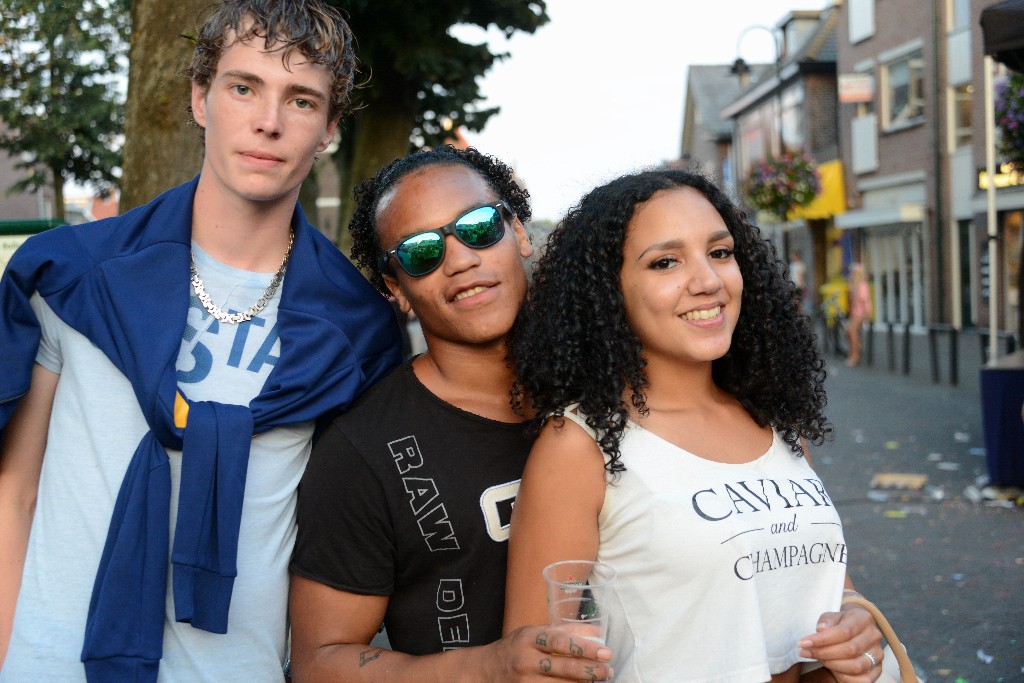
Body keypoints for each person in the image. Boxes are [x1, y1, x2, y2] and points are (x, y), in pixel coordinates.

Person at [0, 1, 402, 680]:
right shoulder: (72, 274)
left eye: (300, 100)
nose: (267, 121)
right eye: (243, 87)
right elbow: (16, 492)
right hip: (49, 663)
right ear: (199, 98)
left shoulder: (355, 330)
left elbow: (346, 545)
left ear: (330, 128)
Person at [504, 169, 884, 682]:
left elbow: (830, 588)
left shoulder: (772, 422)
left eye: (720, 252)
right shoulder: (578, 445)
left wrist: (858, 618)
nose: (708, 281)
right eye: (665, 262)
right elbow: (534, 660)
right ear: (607, 292)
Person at [287, 145, 613, 682]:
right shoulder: (362, 450)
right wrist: (485, 667)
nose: (460, 260)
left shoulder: (611, 384)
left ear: (520, 233)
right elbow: (318, 663)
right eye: (419, 252)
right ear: (398, 290)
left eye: (480, 226)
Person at [846, 263, 872, 367]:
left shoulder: (863, 285)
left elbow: (865, 301)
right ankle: (856, 347)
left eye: (854, 272)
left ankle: (855, 356)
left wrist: (867, 314)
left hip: (861, 312)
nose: (852, 274)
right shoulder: (853, 285)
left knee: (852, 331)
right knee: (848, 331)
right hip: (855, 311)